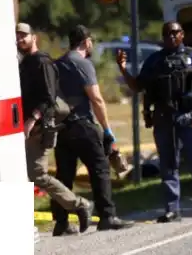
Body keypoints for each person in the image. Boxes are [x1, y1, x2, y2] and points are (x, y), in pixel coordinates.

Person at [117, 21, 192, 223]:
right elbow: (138, 86)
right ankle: (172, 210)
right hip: (165, 120)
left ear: (182, 34)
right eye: (166, 34)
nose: (171, 37)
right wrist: (123, 69)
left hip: (191, 118)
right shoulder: (154, 61)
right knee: (168, 166)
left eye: (174, 33)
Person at [52, 25, 133, 234]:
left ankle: (61, 222)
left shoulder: (56, 64)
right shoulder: (83, 64)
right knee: (100, 169)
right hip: (82, 125)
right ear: (86, 42)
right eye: (91, 42)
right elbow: (96, 99)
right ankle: (107, 216)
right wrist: (107, 130)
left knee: (64, 176)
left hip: (61, 128)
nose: (92, 46)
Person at [16, 23, 92, 235]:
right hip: (26, 126)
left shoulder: (43, 62)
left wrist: (33, 118)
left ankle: (80, 205)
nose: (20, 40)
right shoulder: (24, 63)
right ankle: (62, 220)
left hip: (41, 126)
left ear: (34, 37)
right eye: (18, 37)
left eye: (24, 36)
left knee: (37, 174)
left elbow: (49, 97)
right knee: (26, 174)